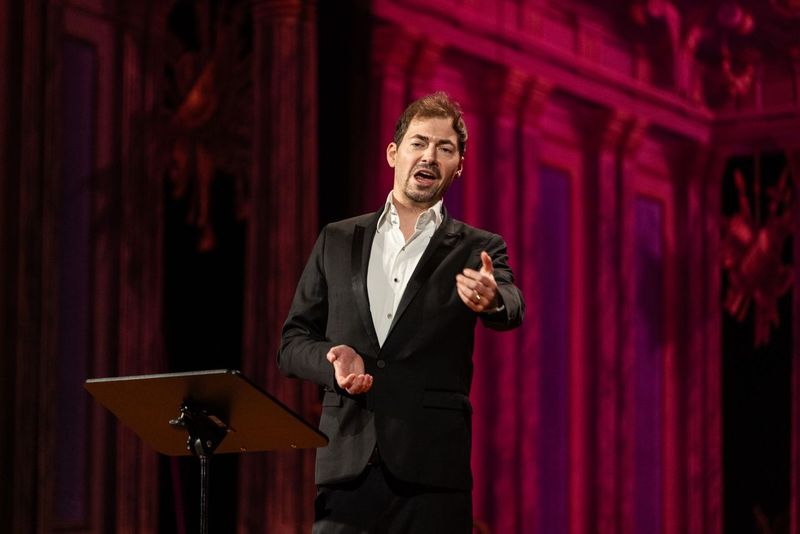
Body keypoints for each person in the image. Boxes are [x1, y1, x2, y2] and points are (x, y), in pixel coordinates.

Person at [278, 91, 524, 533]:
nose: (429, 156)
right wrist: (332, 361)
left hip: (432, 476)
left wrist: (494, 299)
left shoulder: (478, 248)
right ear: (394, 152)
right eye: (419, 142)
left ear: (458, 167)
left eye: (445, 149)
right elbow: (292, 342)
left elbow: (511, 302)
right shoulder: (338, 238)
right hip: (347, 472)